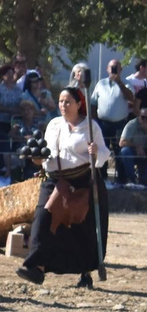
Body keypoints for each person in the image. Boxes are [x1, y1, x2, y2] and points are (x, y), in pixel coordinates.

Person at [17, 87, 110, 289]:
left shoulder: (90, 127)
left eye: (68, 102)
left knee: (81, 228)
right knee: (42, 219)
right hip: (54, 179)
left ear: (78, 104)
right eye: (60, 101)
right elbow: (47, 154)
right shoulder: (53, 125)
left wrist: (96, 152)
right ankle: (36, 267)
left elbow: (104, 156)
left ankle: (85, 272)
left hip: (83, 179)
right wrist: (39, 160)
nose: (63, 105)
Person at [90, 59, 132, 157]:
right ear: (107, 69)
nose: (114, 69)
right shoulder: (101, 84)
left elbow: (131, 98)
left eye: (116, 67)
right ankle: (102, 172)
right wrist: (94, 120)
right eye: (112, 67)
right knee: (101, 151)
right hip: (102, 124)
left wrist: (119, 83)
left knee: (119, 153)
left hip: (119, 124)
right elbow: (93, 103)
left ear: (120, 69)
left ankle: (121, 172)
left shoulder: (126, 83)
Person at [117, 108, 145, 184]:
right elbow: (122, 142)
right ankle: (131, 180)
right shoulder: (132, 124)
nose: (144, 120)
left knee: (144, 181)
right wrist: (137, 146)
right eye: (142, 117)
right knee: (125, 151)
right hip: (134, 152)